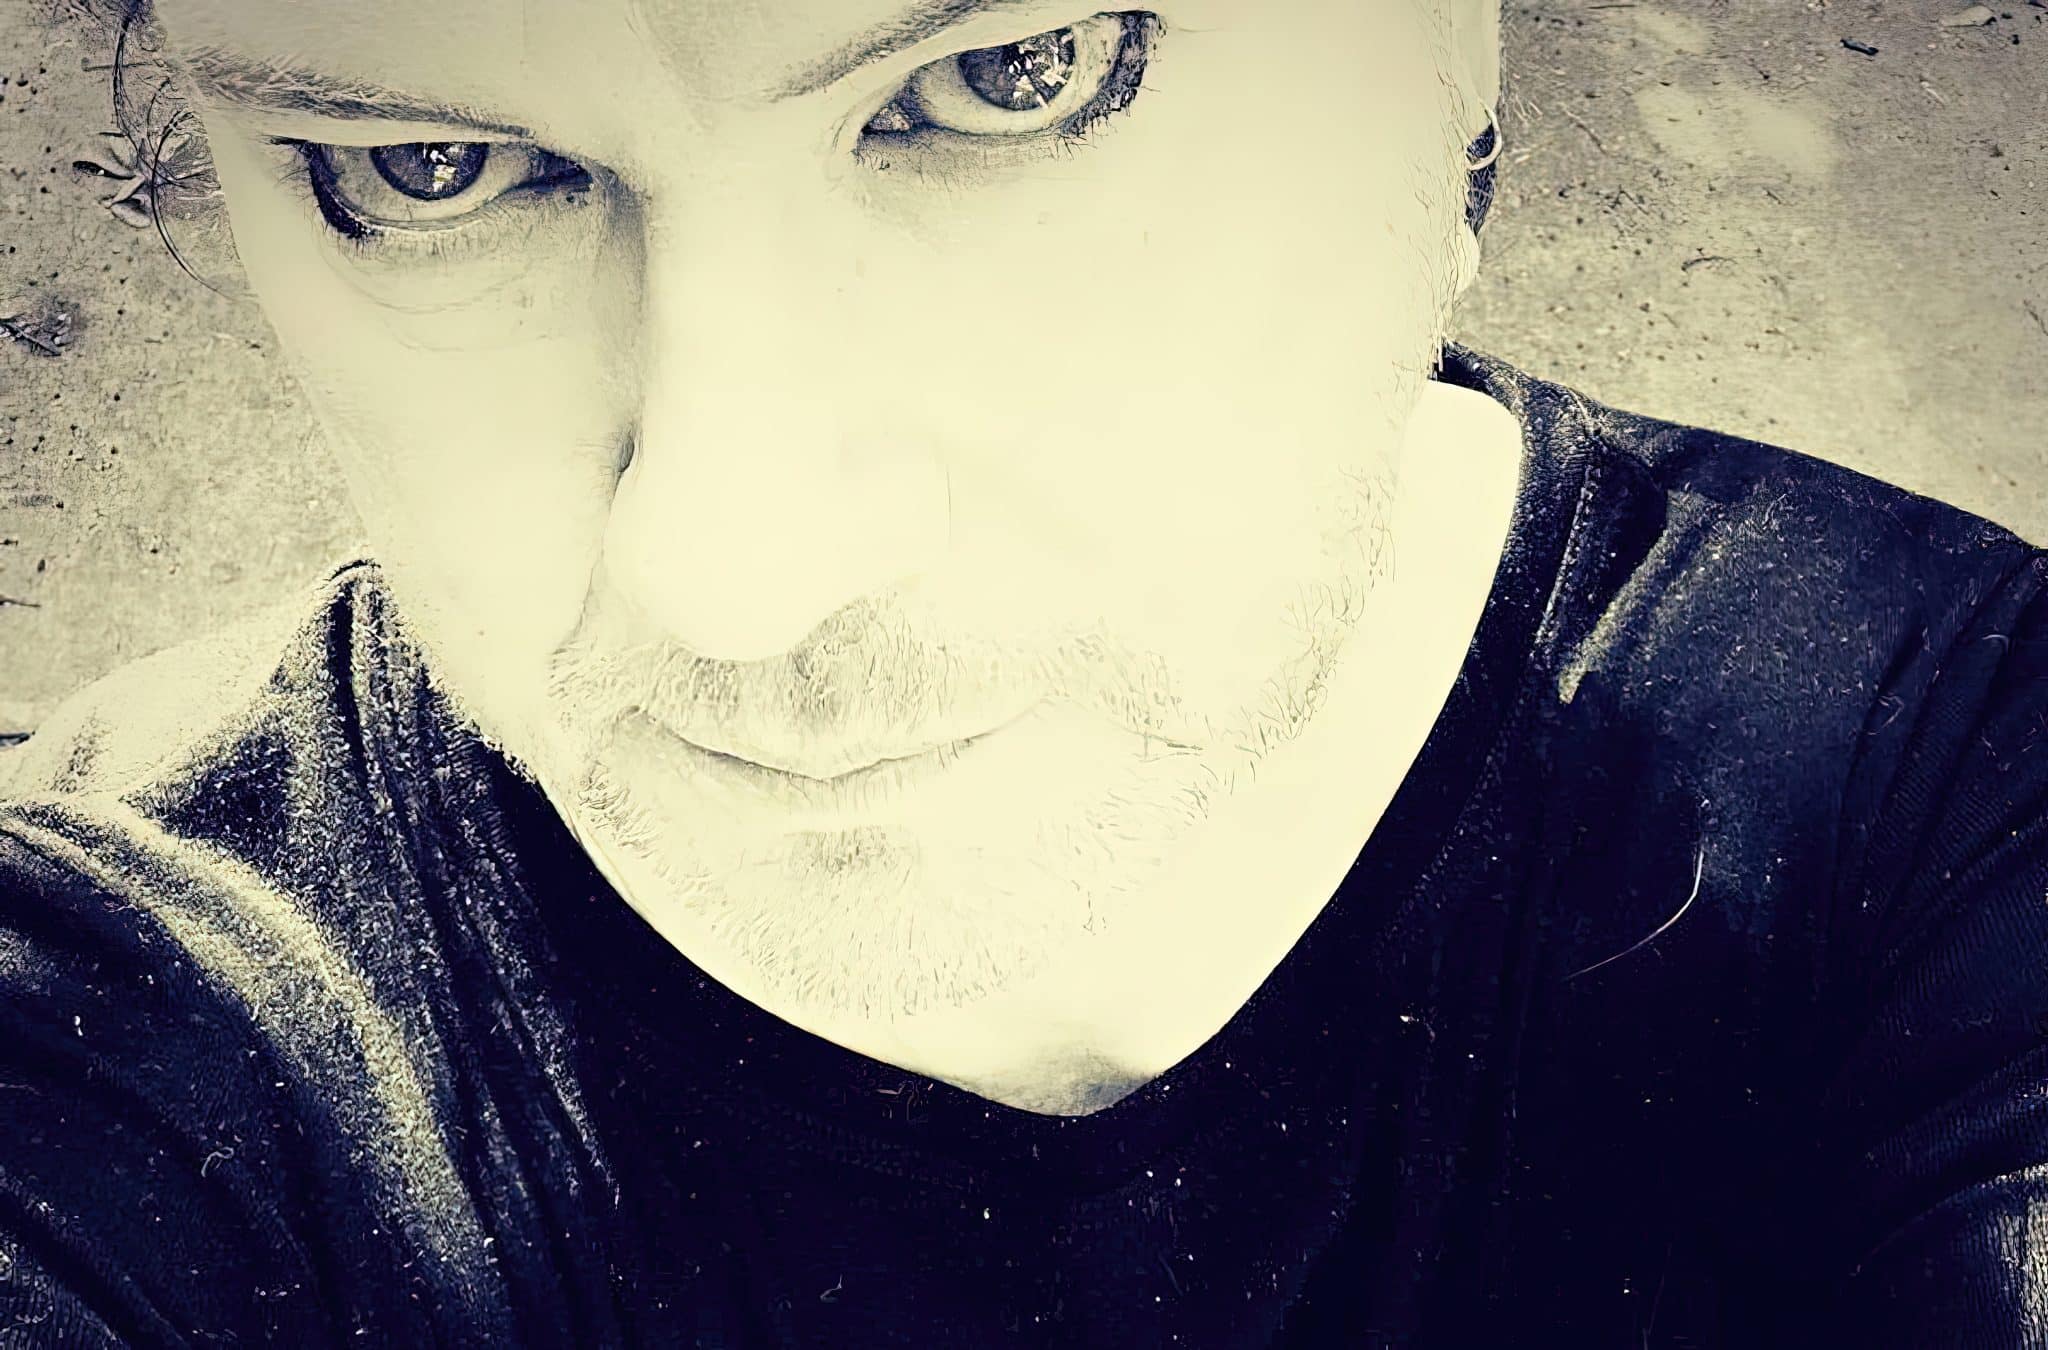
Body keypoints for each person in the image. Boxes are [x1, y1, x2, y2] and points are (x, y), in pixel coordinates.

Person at [2, 0, 2044, 1344]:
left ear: (1450, 57)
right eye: (418, 169)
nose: (737, 570)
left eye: (1019, 73)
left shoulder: (1953, 800)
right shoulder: (105, 1016)